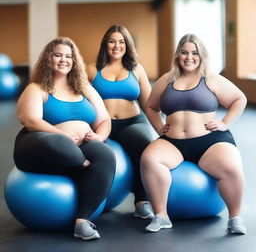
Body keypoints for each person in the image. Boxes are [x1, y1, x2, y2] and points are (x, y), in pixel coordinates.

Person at [140, 34, 247, 234]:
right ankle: (161, 216)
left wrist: (224, 122)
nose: (189, 57)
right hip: (173, 142)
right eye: (184, 52)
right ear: (178, 55)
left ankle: (234, 218)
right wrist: (158, 127)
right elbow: (151, 106)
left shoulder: (211, 79)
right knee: (149, 158)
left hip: (210, 142)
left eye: (194, 53)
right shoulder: (167, 79)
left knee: (232, 167)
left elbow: (239, 99)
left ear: (201, 55)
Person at [13, 37, 116, 241]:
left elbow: (104, 119)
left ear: (74, 61)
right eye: (58, 55)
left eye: (68, 56)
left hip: (81, 144)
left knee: (106, 155)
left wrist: (99, 136)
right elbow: (30, 120)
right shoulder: (37, 88)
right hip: (41, 144)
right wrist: (63, 136)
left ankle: (83, 221)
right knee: (58, 143)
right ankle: (80, 164)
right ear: (48, 59)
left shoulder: (85, 88)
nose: (63, 60)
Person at [87, 24, 154, 219]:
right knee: (97, 156)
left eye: (122, 41)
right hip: (102, 125)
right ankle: (91, 202)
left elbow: (149, 104)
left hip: (132, 122)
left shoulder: (137, 69)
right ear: (105, 44)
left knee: (143, 145)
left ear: (128, 45)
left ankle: (142, 201)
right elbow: (78, 98)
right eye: (112, 41)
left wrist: (161, 128)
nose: (117, 46)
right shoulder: (92, 69)